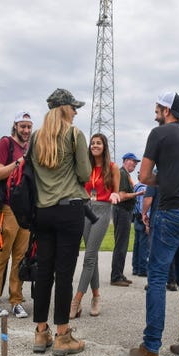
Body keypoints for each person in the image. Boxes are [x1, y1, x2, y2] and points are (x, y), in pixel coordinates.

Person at [130, 91, 179, 356]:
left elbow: (145, 176)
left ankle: (151, 348)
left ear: (165, 110)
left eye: (158, 108)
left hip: (171, 213)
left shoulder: (158, 134)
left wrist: (164, 179)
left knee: (158, 278)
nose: (156, 113)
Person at [31, 88, 91, 356]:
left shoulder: (36, 137)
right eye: (74, 107)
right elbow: (85, 173)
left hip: (42, 211)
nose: (76, 112)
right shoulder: (75, 135)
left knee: (43, 272)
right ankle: (62, 335)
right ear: (65, 109)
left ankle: (40, 332)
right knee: (64, 273)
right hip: (69, 209)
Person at [0, 111, 32, 318]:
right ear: (15, 126)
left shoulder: (28, 147)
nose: (26, 130)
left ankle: (16, 300)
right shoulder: (6, 144)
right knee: (1, 255)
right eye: (23, 126)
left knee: (20, 258)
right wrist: (20, 162)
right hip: (8, 207)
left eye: (29, 126)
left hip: (25, 210)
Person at [70, 133, 120, 319]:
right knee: (93, 257)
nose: (94, 145)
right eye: (92, 143)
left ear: (104, 146)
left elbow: (117, 192)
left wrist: (116, 196)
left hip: (103, 210)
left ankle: (76, 300)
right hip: (85, 209)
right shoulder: (85, 166)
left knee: (89, 257)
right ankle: (96, 297)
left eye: (98, 143)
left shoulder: (113, 168)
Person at [110, 152, 144, 287]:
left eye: (136, 162)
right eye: (133, 161)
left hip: (125, 212)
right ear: (125, 161)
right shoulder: (122, 174)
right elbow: (122, 195)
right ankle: (116, 276)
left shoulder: (126, 174)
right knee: (121, 245)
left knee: (123, 245)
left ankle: (119, 273)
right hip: (122, 210)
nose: (135, 164)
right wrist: (138, 193)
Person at [132, 174, 148, 277]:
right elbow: (143, 206)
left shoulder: (136, 187)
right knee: (144, 244)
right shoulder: (144, 189)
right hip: (142, 218)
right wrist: (146, 219)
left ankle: (136, 267)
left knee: (137, 243)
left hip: (136, 217)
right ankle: (142, 269)